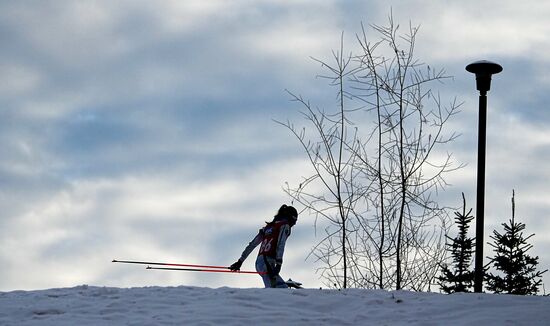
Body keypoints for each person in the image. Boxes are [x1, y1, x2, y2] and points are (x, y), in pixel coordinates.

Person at [229, 204, 298, 288]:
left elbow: (252, 244)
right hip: (268, 261)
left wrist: (240, 261)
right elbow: (281, 244)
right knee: (278, 291)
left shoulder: (268, 227)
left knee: (280, 288)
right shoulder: (284, 225)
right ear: (290, 217)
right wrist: (279, 264)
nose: (294, 224)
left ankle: (282, 285)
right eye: (294, 221)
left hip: (259, 262)